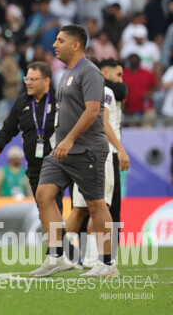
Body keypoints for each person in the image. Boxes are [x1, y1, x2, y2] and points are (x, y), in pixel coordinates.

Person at [30, 24, 118, 278]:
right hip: (62, 150)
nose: (54, 44)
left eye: (60, 40)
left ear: (76, 44)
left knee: (95, 204)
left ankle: (107, 263)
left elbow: (93, 111)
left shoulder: (90, 72)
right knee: (44, 194)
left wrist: (68, 140)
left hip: (86, 149)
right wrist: (61, 142)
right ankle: (56, 257)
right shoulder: (67, 73)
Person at [65, 58, 131, 268]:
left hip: (81, 153)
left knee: (79, 208)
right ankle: (94, 258)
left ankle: (60, 254)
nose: (120, 81)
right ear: (103, 73)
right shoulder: (106, 92)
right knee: (102, 207)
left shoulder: (79, 93)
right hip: (103, 153)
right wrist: (120, 149)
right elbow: (103, 122)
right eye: (118, 75)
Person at [0, 62, 60, 209]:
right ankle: (53, 232)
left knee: (52, 205)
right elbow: (8, 128)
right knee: (42, 208)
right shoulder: (22, 102)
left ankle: (57, 232)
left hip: (55, 165)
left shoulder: (59, 101)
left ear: (46, 81)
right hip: (33, 166)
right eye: (26, 79)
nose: (28, 83)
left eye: (33, 79)